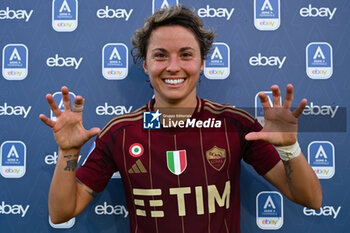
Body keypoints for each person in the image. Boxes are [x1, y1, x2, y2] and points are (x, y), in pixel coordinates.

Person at [39, 5, 322, 233]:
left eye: (186, 55)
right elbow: (62, 212)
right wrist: (68, 151)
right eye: (160, 55)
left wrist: (289, 149)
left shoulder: (236, 125)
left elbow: (311, 199)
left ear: (201, 62)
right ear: (146, 64)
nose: (173, 67)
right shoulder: (120, 132)